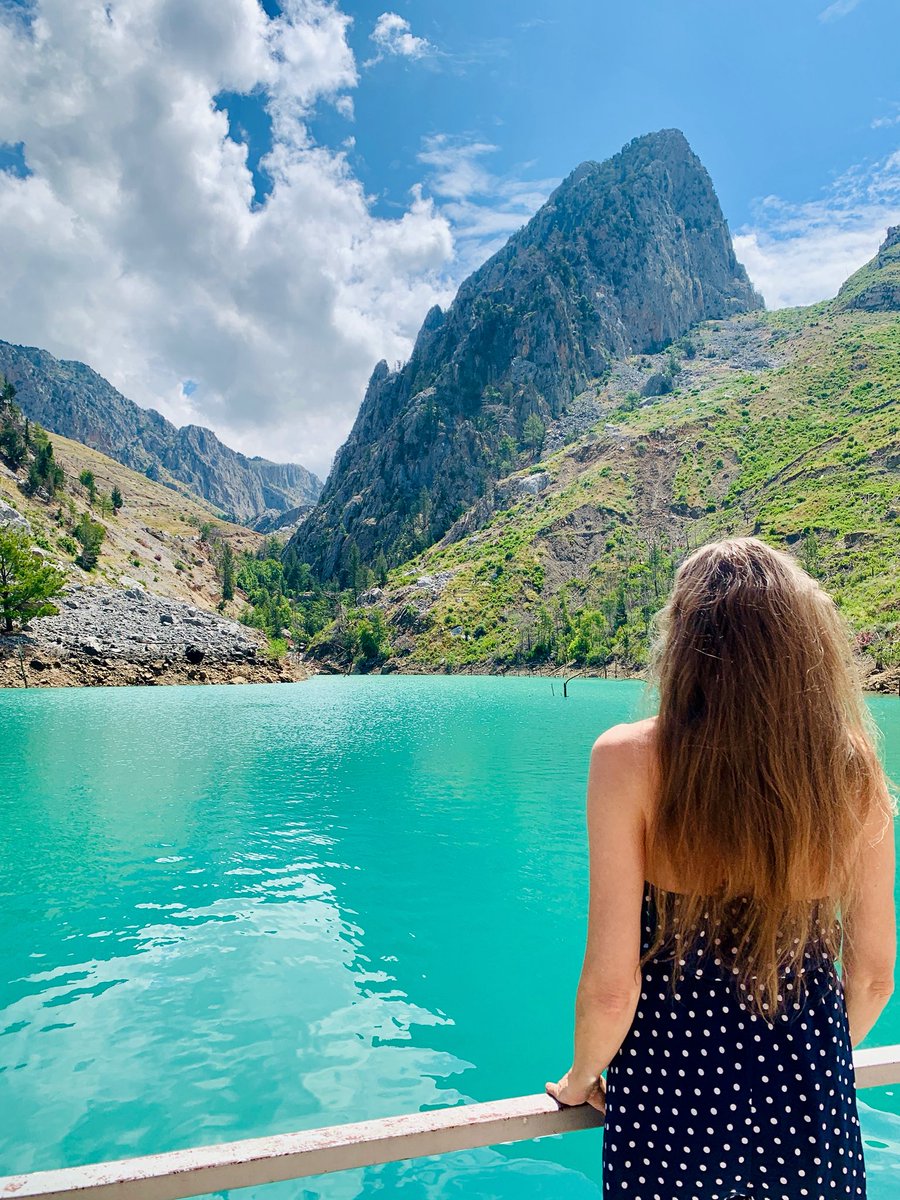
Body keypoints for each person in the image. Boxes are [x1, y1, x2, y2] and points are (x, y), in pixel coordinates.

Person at [545, 536, 896, 1199]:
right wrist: (798, 1072)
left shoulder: (628, 762)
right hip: (810, 1115)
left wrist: (579, 1078)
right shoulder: (852, 769)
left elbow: (612, 989)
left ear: (684, 643)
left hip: (668, 1112)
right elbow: (875, 976)